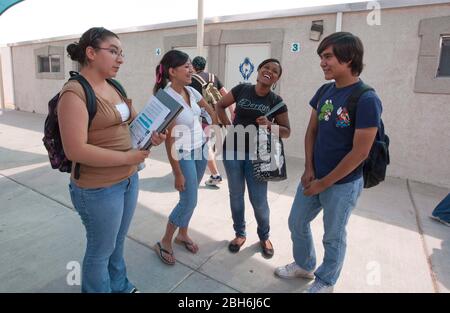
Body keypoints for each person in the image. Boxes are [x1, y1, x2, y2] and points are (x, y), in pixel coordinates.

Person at [58, 27, 165, 293]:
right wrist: (127, 156)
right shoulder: (74, 93)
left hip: (128, 180)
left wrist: (150, 135)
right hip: (98, 189)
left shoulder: (114, 86)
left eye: (122, 53)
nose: (120, 59)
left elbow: (132, 123)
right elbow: (76, 150)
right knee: (100, 250)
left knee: (117, 244)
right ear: (91, 53)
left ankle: (121, 286)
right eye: (114, 51)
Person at [275, 32, 383, 293]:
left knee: (333, 236)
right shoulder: (324, 90)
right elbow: (312, 131)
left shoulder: (367, 99)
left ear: (349, 58)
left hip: (342, 184)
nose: (322, 63)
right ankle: (305, 264)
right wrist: (310, 169)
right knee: (296, 222)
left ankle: (326, 280)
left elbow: (360, 153)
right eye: (321, 57)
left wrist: (324, 183)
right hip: (315, 177)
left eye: (328, 56)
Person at [215, 58, 290, 259]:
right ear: (258, 70)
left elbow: (286, 132)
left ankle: (264, 236)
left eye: (274, 71)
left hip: (259, 156)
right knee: (236, 195)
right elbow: (220, 105)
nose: (269, 71)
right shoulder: (242, 90)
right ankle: (240, 234)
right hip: (232, 151)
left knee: (258, 200)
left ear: (277, 78)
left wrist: (268, 125)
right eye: (266, 67)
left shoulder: (276, 101)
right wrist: (227, 127)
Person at [154, 50, 218, 265]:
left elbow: (209, 111)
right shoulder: (166, 98)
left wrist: (211, 116)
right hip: (182, 153)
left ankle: (183, 234)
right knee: (189, 199)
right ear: (172, 71)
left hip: (200, 148)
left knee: (189, 199)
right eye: (186, 66)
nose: (191, 69)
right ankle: (164, 241)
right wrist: (177, 173)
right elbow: (169, 141)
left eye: (191, 65)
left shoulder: (192, 91)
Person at [189, 56, 233, 187]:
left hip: (204, 118)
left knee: (205, 147)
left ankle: (215, 175)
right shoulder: (213, 77)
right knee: (207, 145)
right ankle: (210, 172)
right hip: (218, 116)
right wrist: (231, 111)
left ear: (193, 66)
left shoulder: (192, 80)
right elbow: (226, 94)